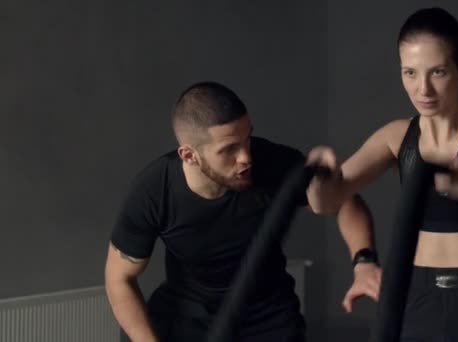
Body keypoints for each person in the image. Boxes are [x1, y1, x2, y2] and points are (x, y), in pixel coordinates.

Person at [307, 7, 458, 341]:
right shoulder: (395, 137)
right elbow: (328, 202)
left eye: (437, 72)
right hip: (414, 297)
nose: (422, 89)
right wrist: (319, 177)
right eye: (409, 73)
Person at [104, 81, 378, 342]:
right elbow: (119, 279)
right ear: (189, 155)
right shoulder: (154, 190)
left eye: (247, 139)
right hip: (190, 317)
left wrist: (364, 260)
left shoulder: (273, 162)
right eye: (229, 149)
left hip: (268, 315)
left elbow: (344, 202)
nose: (246, 157)